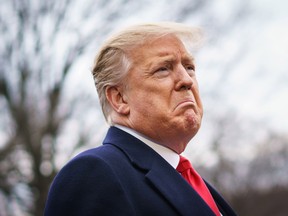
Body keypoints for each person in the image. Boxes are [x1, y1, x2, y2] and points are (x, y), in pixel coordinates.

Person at [44, 22, 237, 216]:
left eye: (189, 67)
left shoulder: (194, 182)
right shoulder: (93, 174)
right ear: (119, 98)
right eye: (163, 69)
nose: (186, 80)